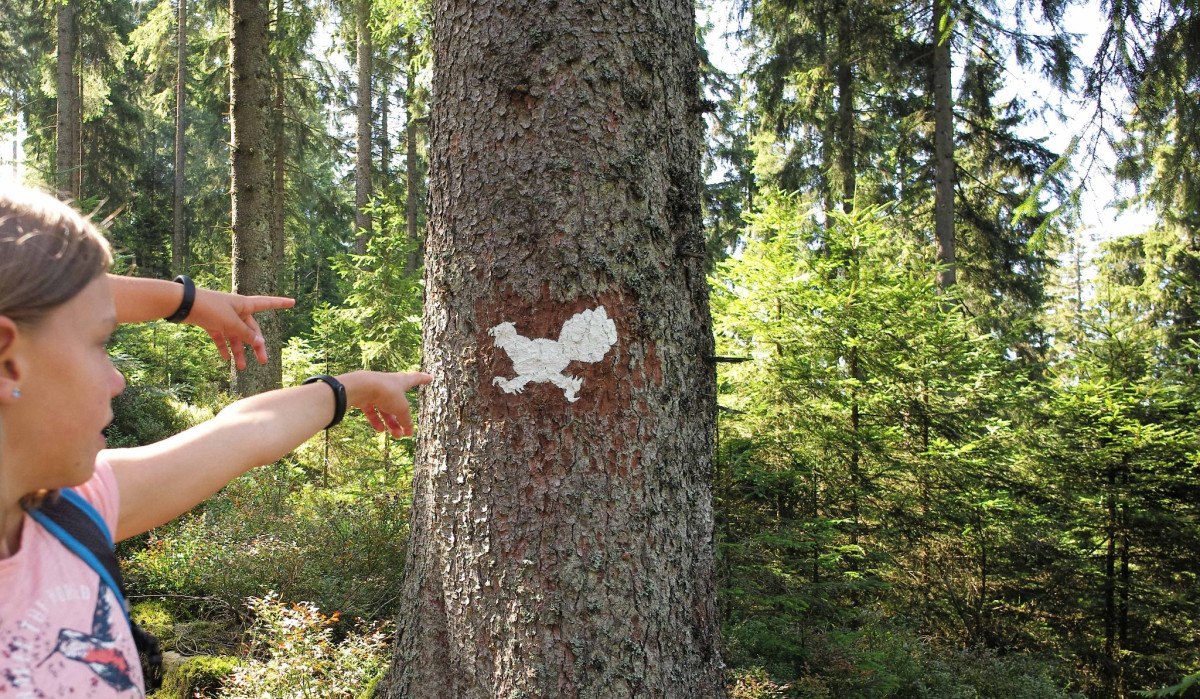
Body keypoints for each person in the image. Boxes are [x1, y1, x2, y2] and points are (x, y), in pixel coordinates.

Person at [0, 185, 431, 695]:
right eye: (101, 343)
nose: (117, 379)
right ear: (8, 362)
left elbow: (245, 432)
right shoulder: (80, 507)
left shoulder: (70, 511)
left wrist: (354, 388)